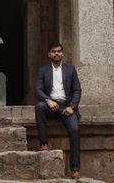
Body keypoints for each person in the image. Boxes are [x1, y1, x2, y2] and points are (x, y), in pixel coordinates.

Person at [34, 42, 82, 180]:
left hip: (66, 107)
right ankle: (44, 143)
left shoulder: (70, 70)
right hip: (50, 105)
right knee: (39, 106)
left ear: (63, 54)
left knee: (74, 130)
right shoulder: (43, 71)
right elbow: (38, 90)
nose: (56, 53)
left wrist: (72, 107)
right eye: (54, 51)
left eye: (59, 51)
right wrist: (48, 100)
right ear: (49, 54)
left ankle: (75, 169)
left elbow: (77, 90)